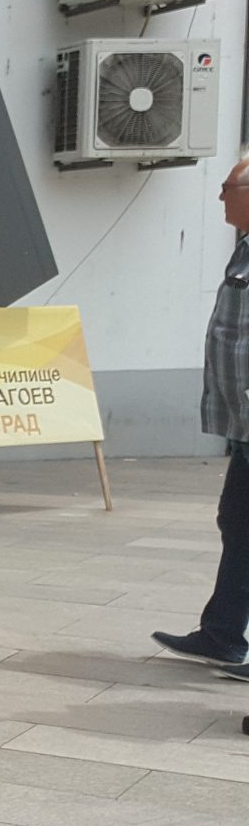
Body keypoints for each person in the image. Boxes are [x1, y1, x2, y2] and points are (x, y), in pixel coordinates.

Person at [153, 157, 249, 678]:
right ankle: (222, 635)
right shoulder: (244, 248)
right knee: (237, 522)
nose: (220, 198)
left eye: (227, 187)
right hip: (245, 424)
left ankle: (224, 635)